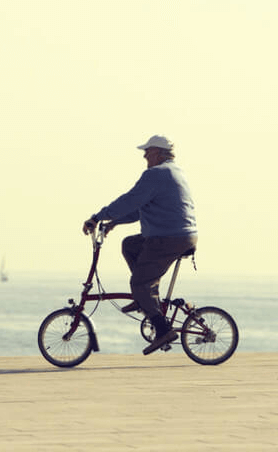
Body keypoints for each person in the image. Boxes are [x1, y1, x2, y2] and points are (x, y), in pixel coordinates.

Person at [82, 135, 198, 355]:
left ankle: (162, 329)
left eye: (148, 151)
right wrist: (114, 222)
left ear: (157, 153)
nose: (144, 155)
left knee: (139, 282)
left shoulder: (155, 175)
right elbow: (139, 210)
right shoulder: (175, 172)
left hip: (168, 238)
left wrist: (97, 217)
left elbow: (129, 200)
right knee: (131, 245)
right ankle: (144, 299)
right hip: (180, 236)